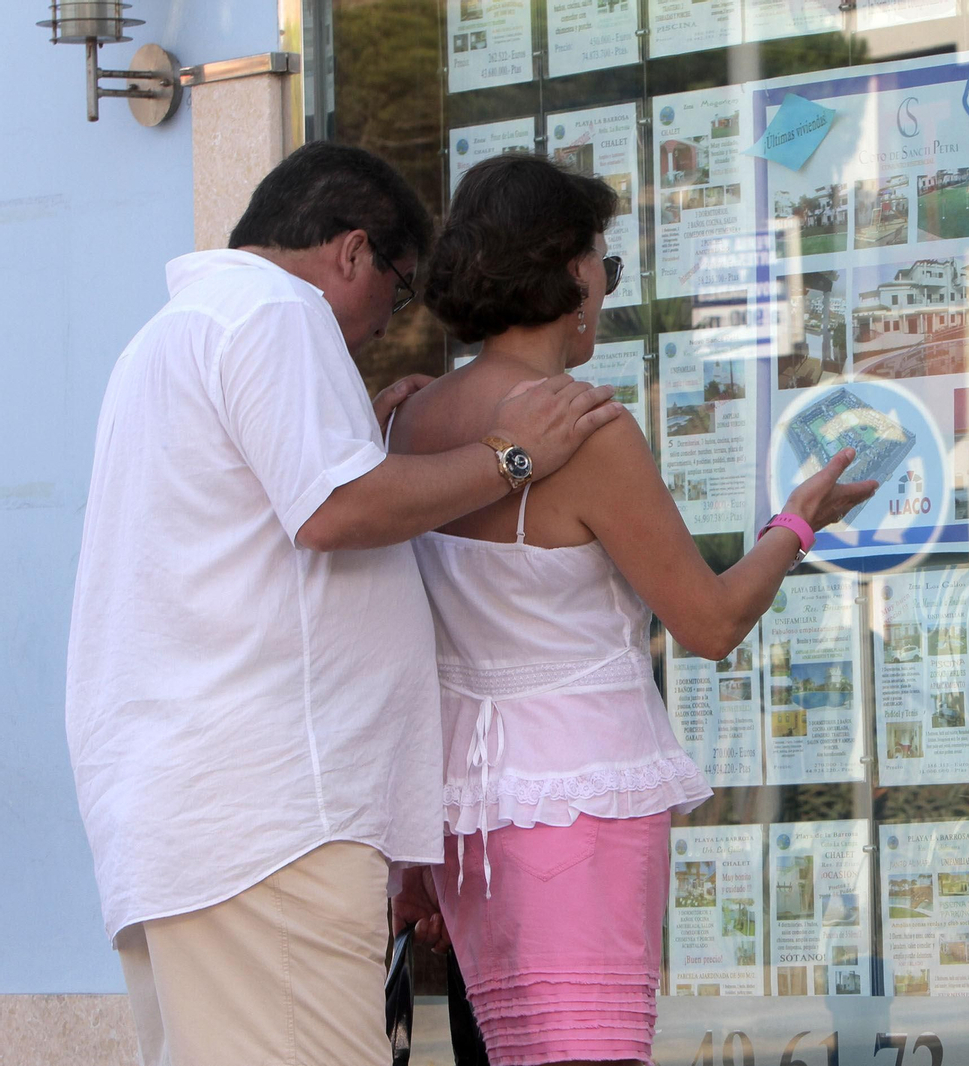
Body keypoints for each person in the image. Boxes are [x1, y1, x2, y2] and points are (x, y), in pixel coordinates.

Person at [63, 142, 625, 1066]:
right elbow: (335, 510)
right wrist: (510, 456)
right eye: (396, 295)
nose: (380, 327)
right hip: (273, 829)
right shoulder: (278, 312)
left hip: (186, 825)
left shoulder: (170, 334)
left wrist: (360, 435)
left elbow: (260, 523)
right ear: (353, 251)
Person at [386, 153, 877, 1065]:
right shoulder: (584, 431)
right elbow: (711, 622)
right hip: (581, 795)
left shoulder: (410, 423)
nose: (604, 292)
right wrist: (797, 524)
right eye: (604, 266)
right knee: (595, 1045)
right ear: (569, 274)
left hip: (467, 804)